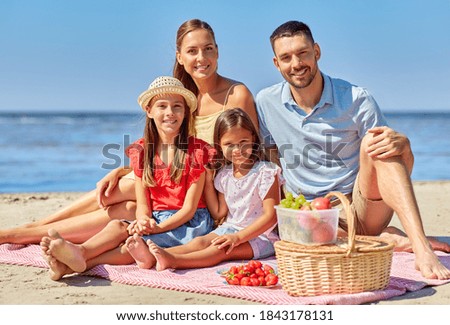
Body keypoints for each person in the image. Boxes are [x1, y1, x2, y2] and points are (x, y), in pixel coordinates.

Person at [0, 19, 257, 245]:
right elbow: (167, 149)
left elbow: (249, 150)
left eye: (208, 49)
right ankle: (36, 229)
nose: (201, 57)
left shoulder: (236, 94)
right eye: (192, 51)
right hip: (174, 177)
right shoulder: (178, 98)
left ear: (217, 51)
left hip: (203, 186)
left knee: (123, 191)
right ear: (180, 56)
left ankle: (28, 232)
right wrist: (123, 168)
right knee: (128, 205)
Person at [255, 20, 450, 280]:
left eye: (303, 53)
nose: (296, 64)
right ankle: (384, 239)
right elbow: (270, 162)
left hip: (361, 206)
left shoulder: (356, 98)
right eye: (286, 57)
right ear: (276, 64)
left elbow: (396, 162)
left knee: (377, 142)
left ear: (317, 52)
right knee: (308, 237)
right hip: (310, 213)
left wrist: (405, 145)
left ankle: (420, 246)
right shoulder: (266, 102)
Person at [40, 76, 215, 280]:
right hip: (156, 218)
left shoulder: (196, 151)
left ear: (185, 113)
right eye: (162, 106)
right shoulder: (142, 151)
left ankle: (76, 262)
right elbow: (143, 204)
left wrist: (155, 227)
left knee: (134, 244)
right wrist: (142, 220)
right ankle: (80, 252)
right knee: (118, 226)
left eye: (177, 106)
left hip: (188, 223)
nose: (170, 113)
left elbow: (188, 210)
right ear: (149, 111)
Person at [124, 108, 282, 271]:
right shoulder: (225, 175)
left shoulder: (266, 172)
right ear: (219, 145)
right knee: (200, 242)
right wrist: (207, 180)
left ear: (253, 139)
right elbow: (219, 213)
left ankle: (173, 260)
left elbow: (271, 216)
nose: (237, 150)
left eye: (243, 143)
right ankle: (154, 256)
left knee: (219, 250)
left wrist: (238, 237)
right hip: (230, 229)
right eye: (229, 144)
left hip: (261, 237)